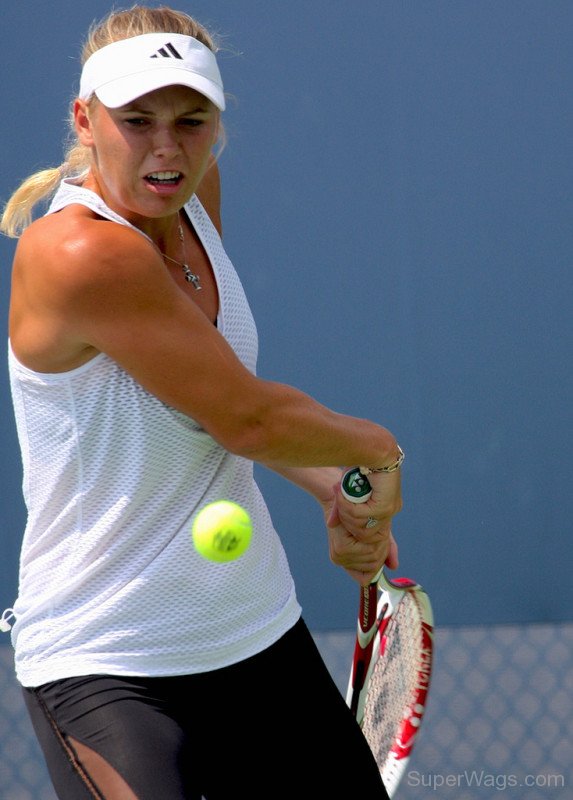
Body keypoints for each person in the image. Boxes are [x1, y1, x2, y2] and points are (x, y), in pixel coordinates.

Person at [1, 6, 404, 799]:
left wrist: (326, 483)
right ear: (85, 121)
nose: (166, 147)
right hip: (114, 662)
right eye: (135, 119)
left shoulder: (190, 195)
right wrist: (375, 451)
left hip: (254, 633)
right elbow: (245, 415)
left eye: (191, 120)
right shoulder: (79, 252)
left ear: (217, 121)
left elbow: (204, 395)